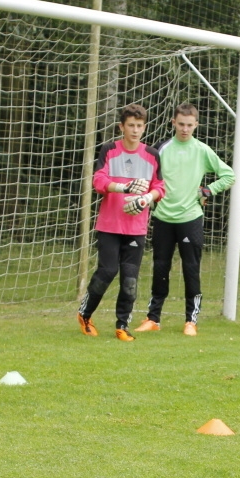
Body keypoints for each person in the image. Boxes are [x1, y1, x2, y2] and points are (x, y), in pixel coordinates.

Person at [134, 103, 235, 337]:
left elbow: (229, 175)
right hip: (163, 217)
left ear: (196, 125)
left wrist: (207, 191)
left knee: (191, 269)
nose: (185, 129)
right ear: (173, 123)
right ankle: (153, 318)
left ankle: (191, 320)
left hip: (191, 218)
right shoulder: (161, 149)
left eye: (190, 125)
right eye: (181, 124)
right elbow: (149, 177)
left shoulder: (202, 150)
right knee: (160, 266)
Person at [79, 103, 166, 341]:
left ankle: (122, 326)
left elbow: (159, 187)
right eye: (131, 126)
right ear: (122, 127)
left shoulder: (152, 155)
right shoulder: (109, 150)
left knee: (130, 279)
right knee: (107, 271)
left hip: (135, 228)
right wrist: (123, 187)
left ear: (144, 127)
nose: (135, 130)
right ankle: (85, 315)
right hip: (109, 225)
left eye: (139, 126)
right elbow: (99, 181)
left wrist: (146, 198)